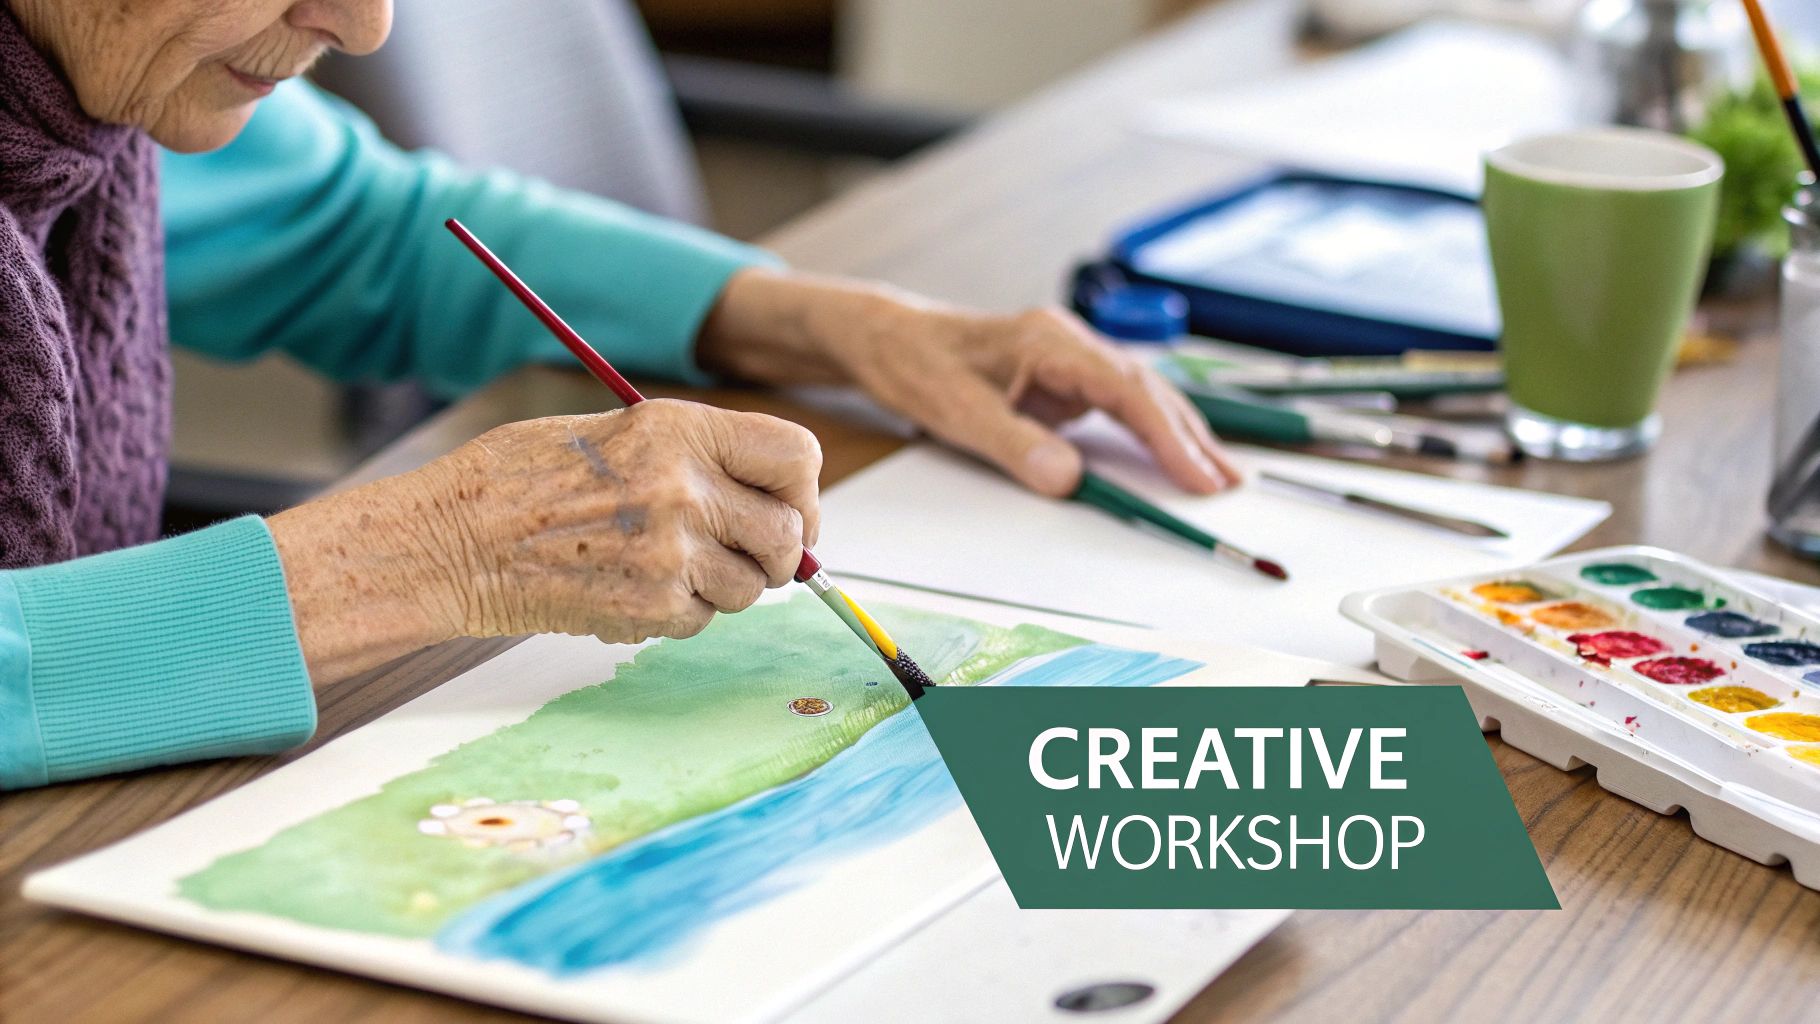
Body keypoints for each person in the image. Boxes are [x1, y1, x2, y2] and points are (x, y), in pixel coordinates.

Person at [0, 0, 1238, 789]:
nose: (366, 26)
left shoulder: (74, 83)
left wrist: (835, 324)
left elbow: (359, 228)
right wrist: (421, 557)